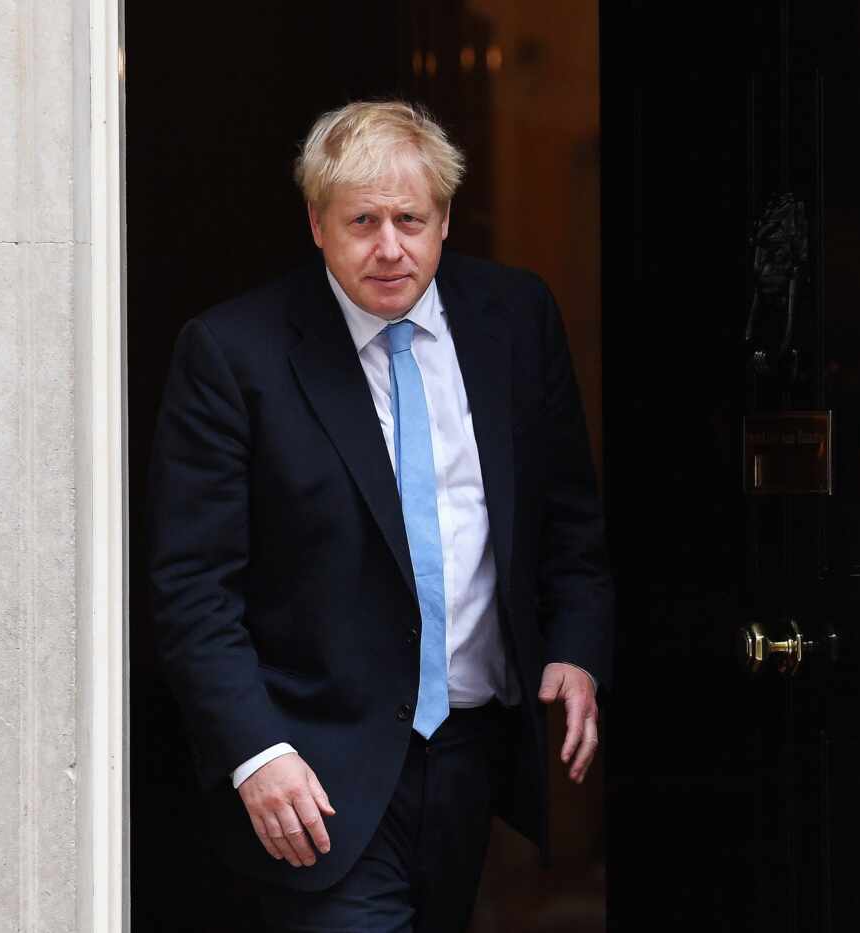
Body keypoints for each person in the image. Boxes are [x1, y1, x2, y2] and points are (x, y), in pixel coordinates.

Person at [147, 99, 614, 932]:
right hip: (314, 771)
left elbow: (569, 516)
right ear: (317, 223)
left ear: (444, 220)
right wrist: (255, 751)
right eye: (362, 220)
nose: (390, 246)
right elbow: (191, 588)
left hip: (474, 754)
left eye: (411, 218)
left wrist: (575, 648)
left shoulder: (514, 318)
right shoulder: (233, 353)